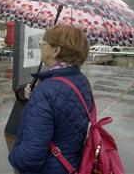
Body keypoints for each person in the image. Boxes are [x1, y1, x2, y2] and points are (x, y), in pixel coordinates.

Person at [8, 24, 92, 174]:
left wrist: (14, 156)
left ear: (56, 50)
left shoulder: (47, 91)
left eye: (43, 43)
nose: (41, 46)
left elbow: (29, 158)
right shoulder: (81, 81)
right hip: (72, 164)